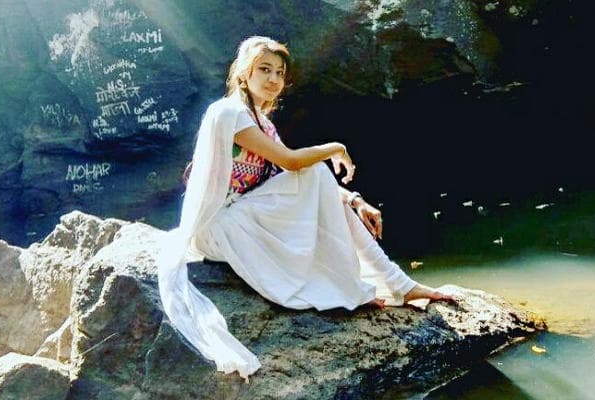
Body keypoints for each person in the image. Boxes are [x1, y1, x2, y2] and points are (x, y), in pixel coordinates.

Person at [156, 35, 456, 380]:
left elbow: (298, 178)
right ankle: (388, 283)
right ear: (244, 73)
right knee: (313, 169)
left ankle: (395, 282)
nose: (273, 79)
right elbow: (292, 162)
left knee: (315, 176)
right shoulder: (229, 113)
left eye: (279, 72)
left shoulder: (262, 123)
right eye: (264, 69)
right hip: (217, 227)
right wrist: (336, 148)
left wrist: (354, 200)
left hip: (241, 217)